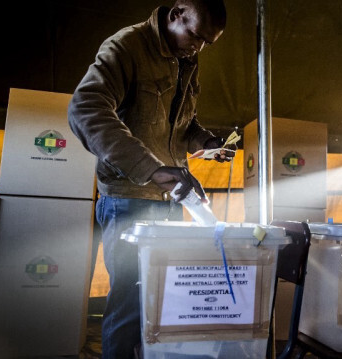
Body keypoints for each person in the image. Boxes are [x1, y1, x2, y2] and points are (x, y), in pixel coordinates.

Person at [67, 0, 229, 357]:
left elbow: (181, 123)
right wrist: (151, 169)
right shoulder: (126, 46)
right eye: (195, 36)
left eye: (206, 43)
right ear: (176, 14)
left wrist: (206, 141)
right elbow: (85, 108)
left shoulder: (186, 57)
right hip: (128, 198)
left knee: (161, 302)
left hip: (171, 198)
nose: (198, 47)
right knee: (128, 304)